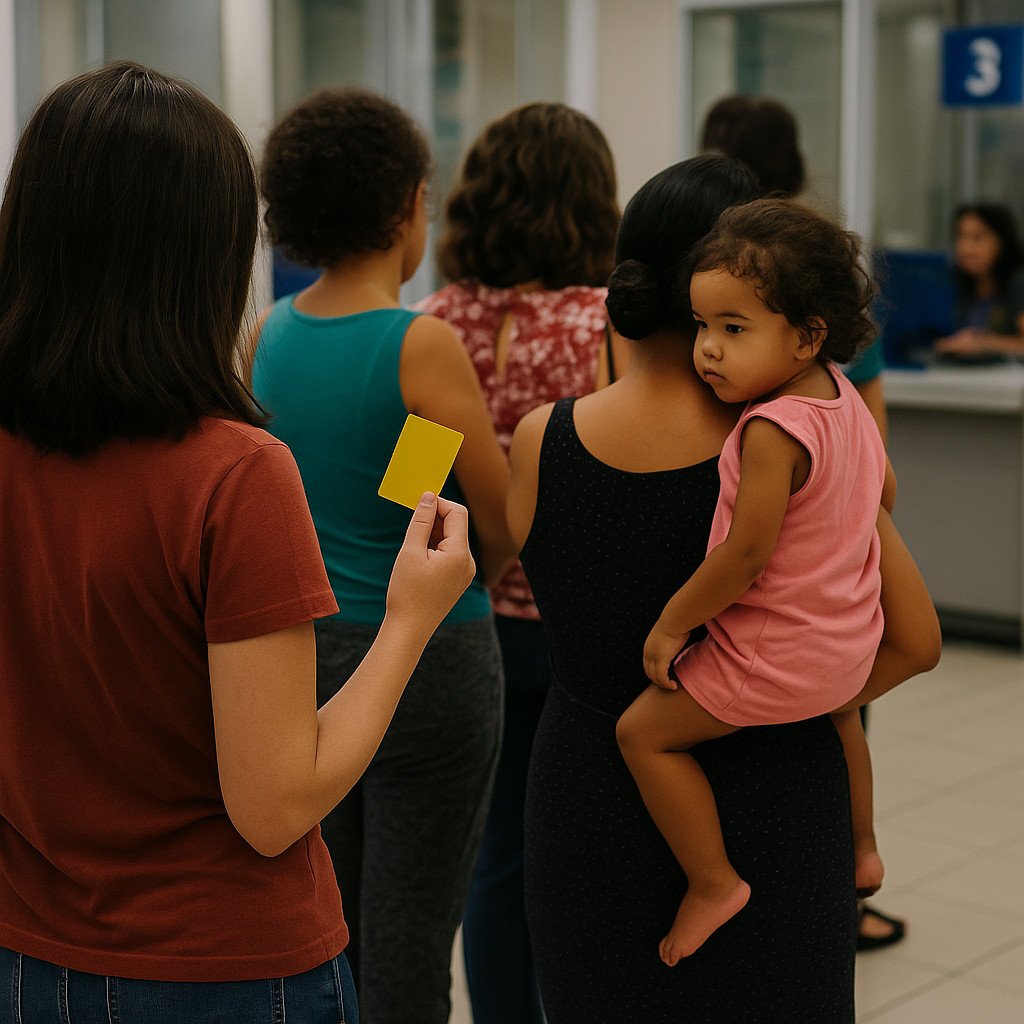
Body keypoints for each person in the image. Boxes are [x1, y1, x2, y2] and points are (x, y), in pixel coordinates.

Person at [0, 62, 475, 1024]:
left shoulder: (268, 353)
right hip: (219, 966)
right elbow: (274, 808)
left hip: (29, 950)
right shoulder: (236, 470)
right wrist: (410, 620)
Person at [509, 155, 940, 1022]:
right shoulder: (803, 452)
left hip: (592, 806)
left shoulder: (540, 441)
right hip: (783, 809)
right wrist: (821, 693)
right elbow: (915, 640)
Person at [250, 88, 516, 1024]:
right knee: (410, 936)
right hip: (426, 667)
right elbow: (494, 521)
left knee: (336, 926)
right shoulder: (418, 343)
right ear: (406, 205)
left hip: (308, 659)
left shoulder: (268, 335)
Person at [617, 197, 895, 965]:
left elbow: (744, 557)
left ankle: (712, 882)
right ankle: (863, 850)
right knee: (843, 720)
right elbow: (884, 491)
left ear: (807, 334)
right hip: (847, 649)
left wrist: (674, 621)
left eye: (734, 330)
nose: (708, 349)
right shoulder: (841, 396)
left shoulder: (773, 428)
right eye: (702, 325)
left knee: (641, 736)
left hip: (774, 658)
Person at [417, 101, 619, 1024]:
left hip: (463, 618)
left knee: (491, 859)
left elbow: (414, 486)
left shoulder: (434, 321)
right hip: (575, 621)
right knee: (579, 858)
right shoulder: (605, 326)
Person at [701, 93, 902, 947]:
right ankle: (841, 889)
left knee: (492, 856)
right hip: (818, 636)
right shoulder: (819, 337)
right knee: (827, 741)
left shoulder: (437, 330)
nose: (707, 348)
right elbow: (881, 482)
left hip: (447, 611)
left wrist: (487, 563)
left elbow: (439, 478)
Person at [935, 203, 1024, 359]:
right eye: (961, 236)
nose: (966, 247)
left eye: (977, 238)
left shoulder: (1018, 283)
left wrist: (983, 342)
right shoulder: (957, 284)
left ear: (1001, 241)